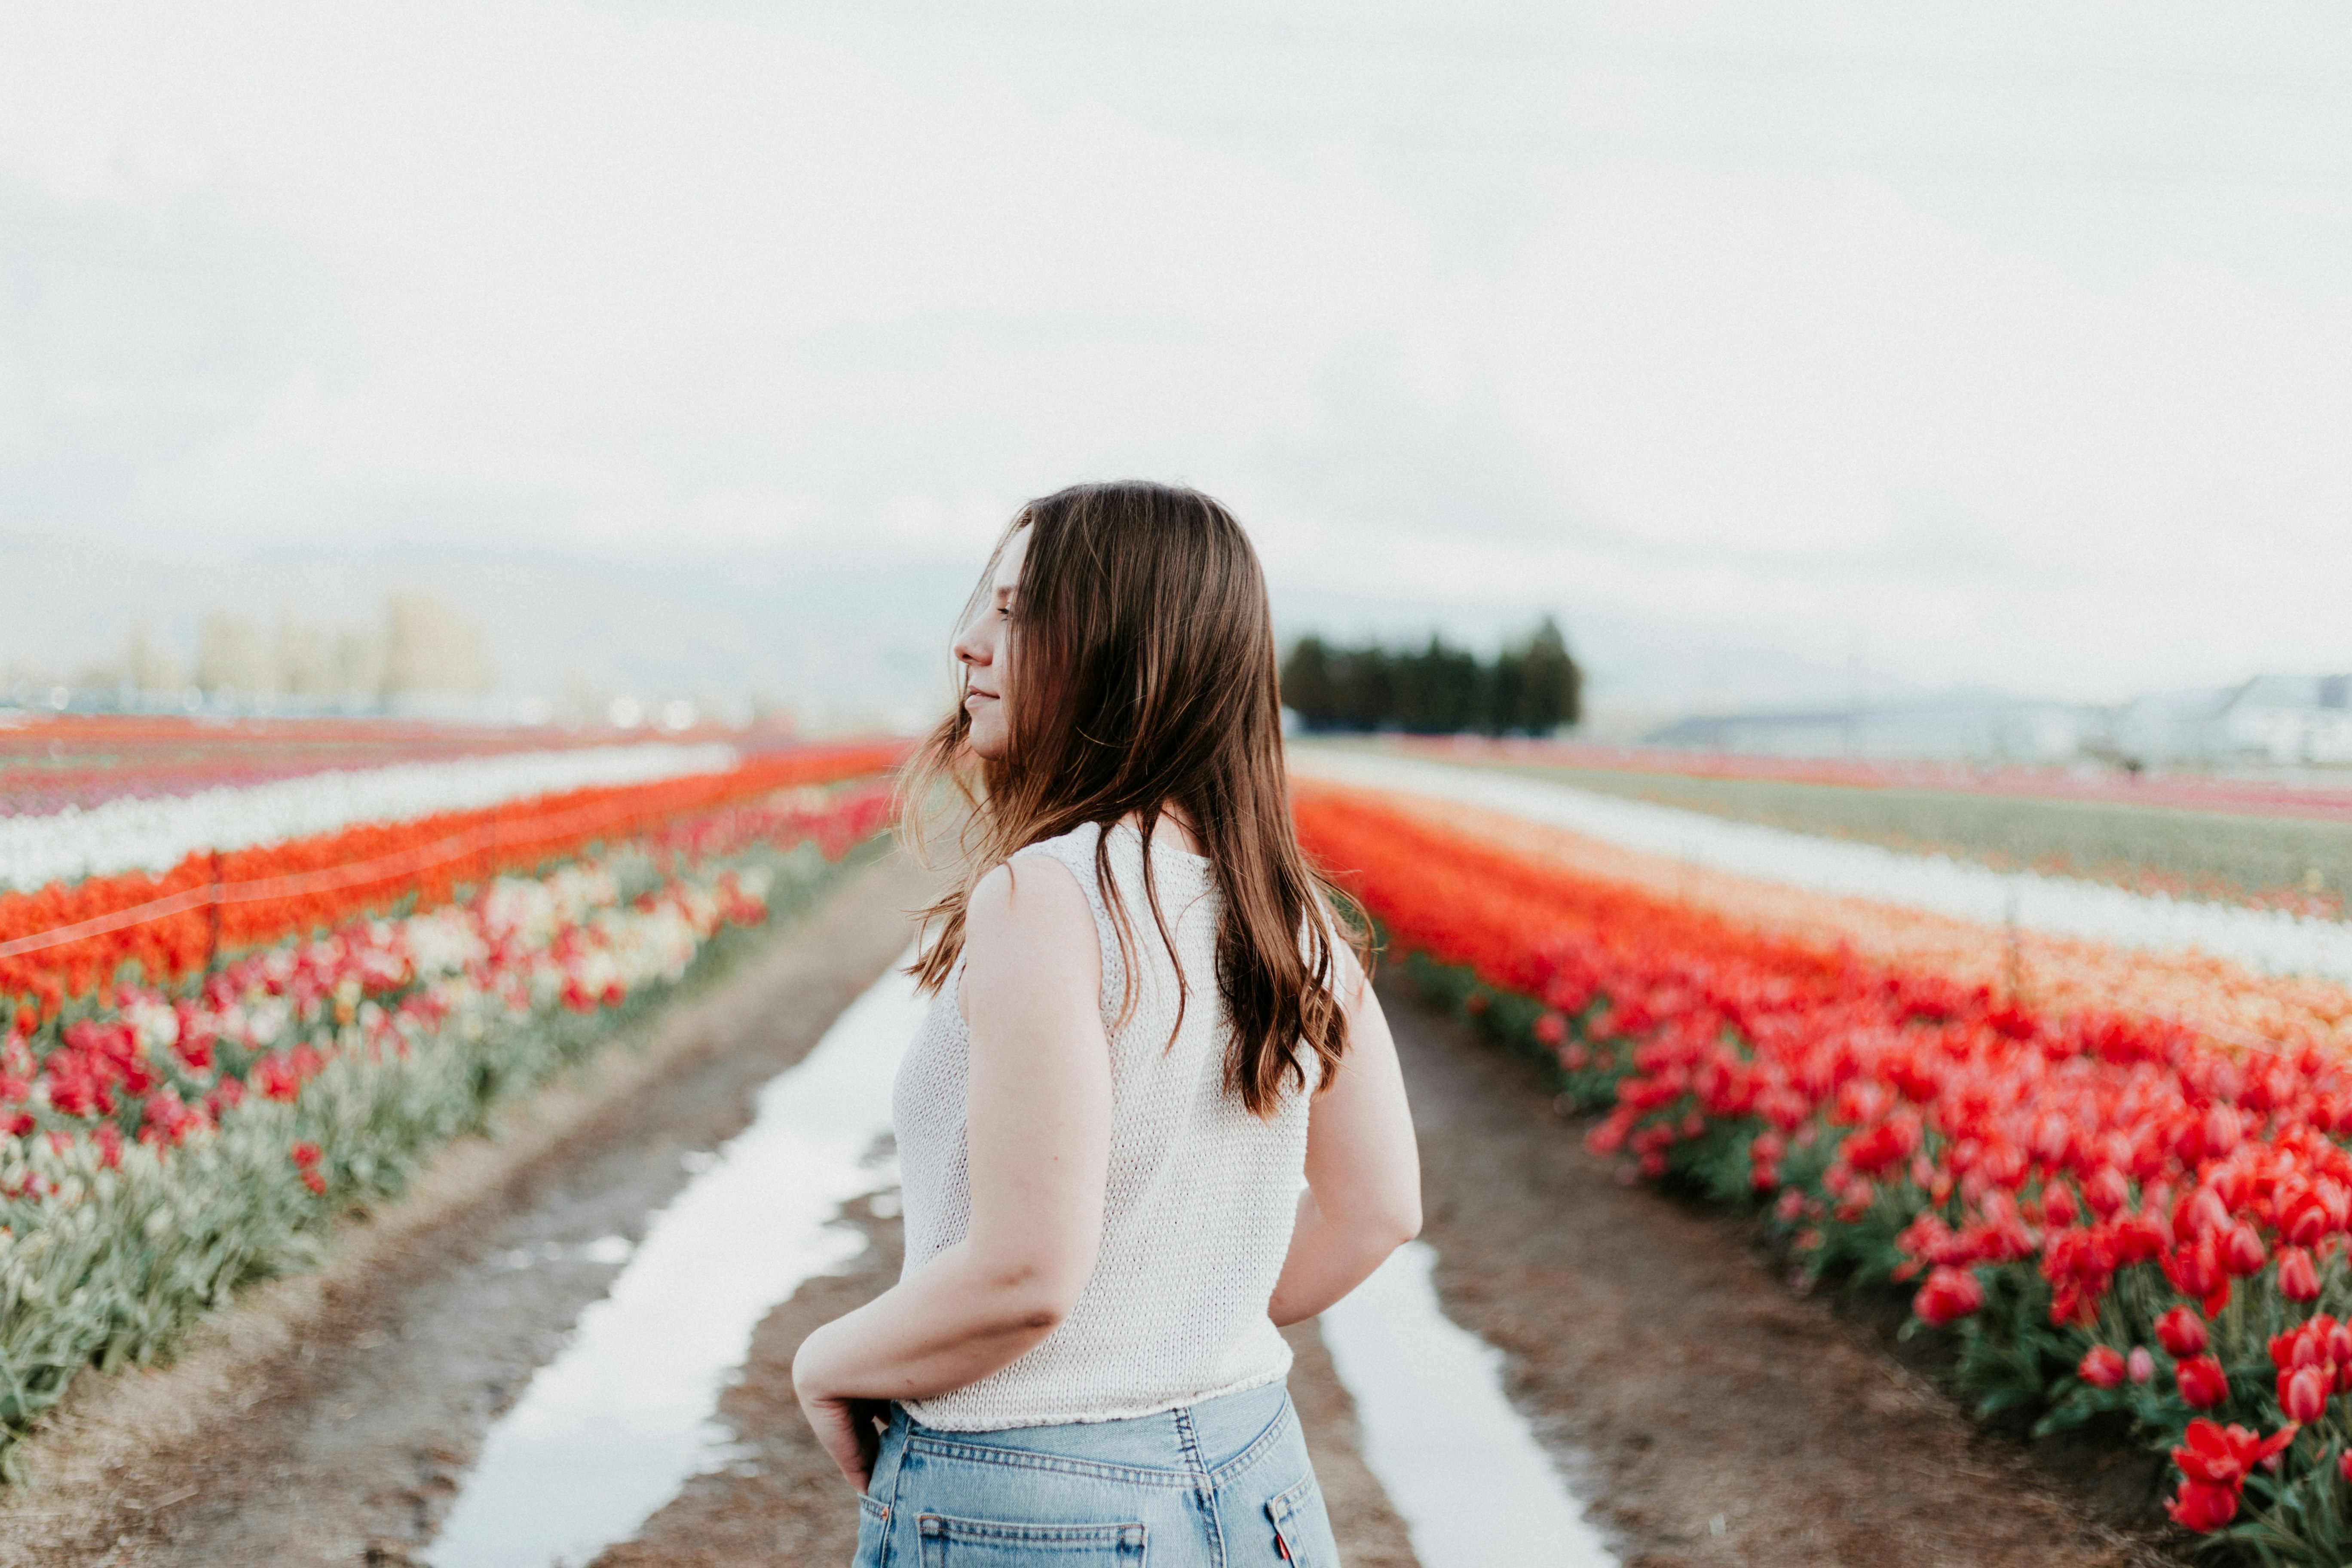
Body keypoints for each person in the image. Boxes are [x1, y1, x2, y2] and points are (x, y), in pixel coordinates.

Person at [792, 481, 1422, 1567]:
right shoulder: (1285, 903)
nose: (969, 644)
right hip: (1259, 1483)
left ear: (1123, 650)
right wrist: (1178, 1319)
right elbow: (1381, 1210)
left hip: (1034, 1499)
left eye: (1017, 612)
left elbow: (1026, 1277)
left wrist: (824, 1361)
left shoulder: (1048, 898)